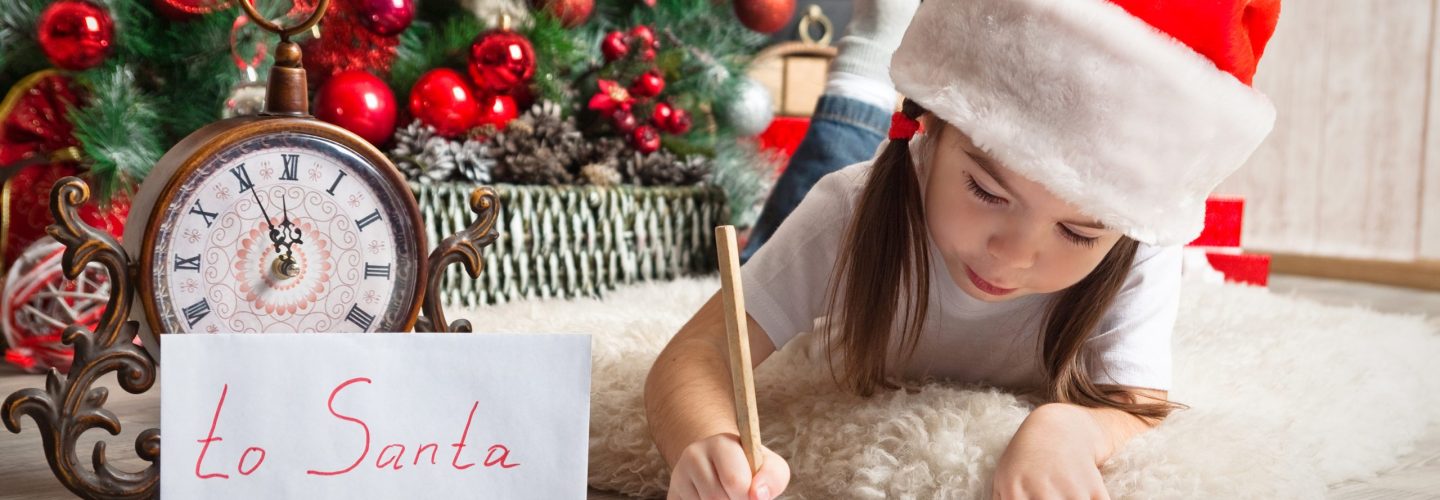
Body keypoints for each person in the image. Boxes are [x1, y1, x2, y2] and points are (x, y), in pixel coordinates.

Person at [646, 0, 1283, 499]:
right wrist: (706, 440)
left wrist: (1074, 427)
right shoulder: (847, 207)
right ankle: (875, 51)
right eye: (986, 189)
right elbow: (701, 351)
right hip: (871, 191)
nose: (1011, 255)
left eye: (1078, 232)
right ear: (929, 124)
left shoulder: (1140, 244)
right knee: (815, 170)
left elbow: (1136, 403)